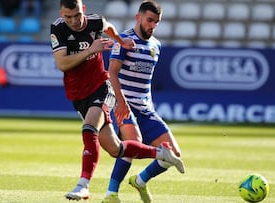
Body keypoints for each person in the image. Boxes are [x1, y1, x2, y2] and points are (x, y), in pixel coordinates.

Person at [50, 0, 184, 201]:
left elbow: (109, 28)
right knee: (116, 148)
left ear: (83, 10)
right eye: (68, 16)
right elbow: (63, 64)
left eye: (77, 15)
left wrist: (120, 41)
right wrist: (93, 49)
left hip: (106, 89)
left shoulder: (97, 23)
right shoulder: (58, 29)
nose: (74, 21)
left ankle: (87, 186)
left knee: (90, 129)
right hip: (88, 96)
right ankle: (160, 154)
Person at [102, 1, 184, 202]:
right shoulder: (124, 40)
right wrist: (121, 103)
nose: (152, 25)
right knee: (133, 143)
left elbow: (145, 80)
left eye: (156, 22)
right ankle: (111, 194)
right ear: (138, 17)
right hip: (124, 104)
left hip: (146, 109)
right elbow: (111, 73)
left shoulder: (156, 45)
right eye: (149, 20)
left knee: (175, 153)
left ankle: (140, 181)